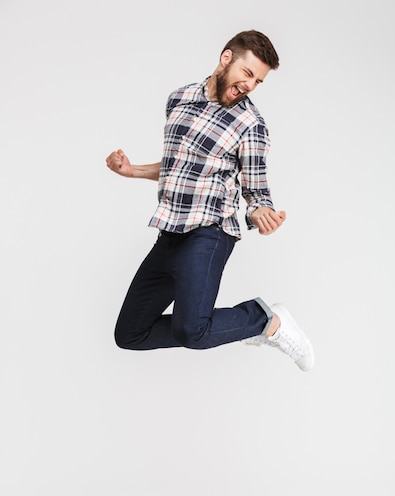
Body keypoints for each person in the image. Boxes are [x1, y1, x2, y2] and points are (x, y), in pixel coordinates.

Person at [106, 30, 314, 371]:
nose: (249, 85)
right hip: (171, 229)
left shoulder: (251, 124)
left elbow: (256, 187)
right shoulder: (179, 98)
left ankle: (266, 320)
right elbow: (180, 166)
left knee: (192, 330)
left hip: (210, 233)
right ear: (226, 58)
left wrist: (261, 210)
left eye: (258, 81)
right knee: (130, 333)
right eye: (248, 74)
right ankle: (251, 325)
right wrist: (133, 171)